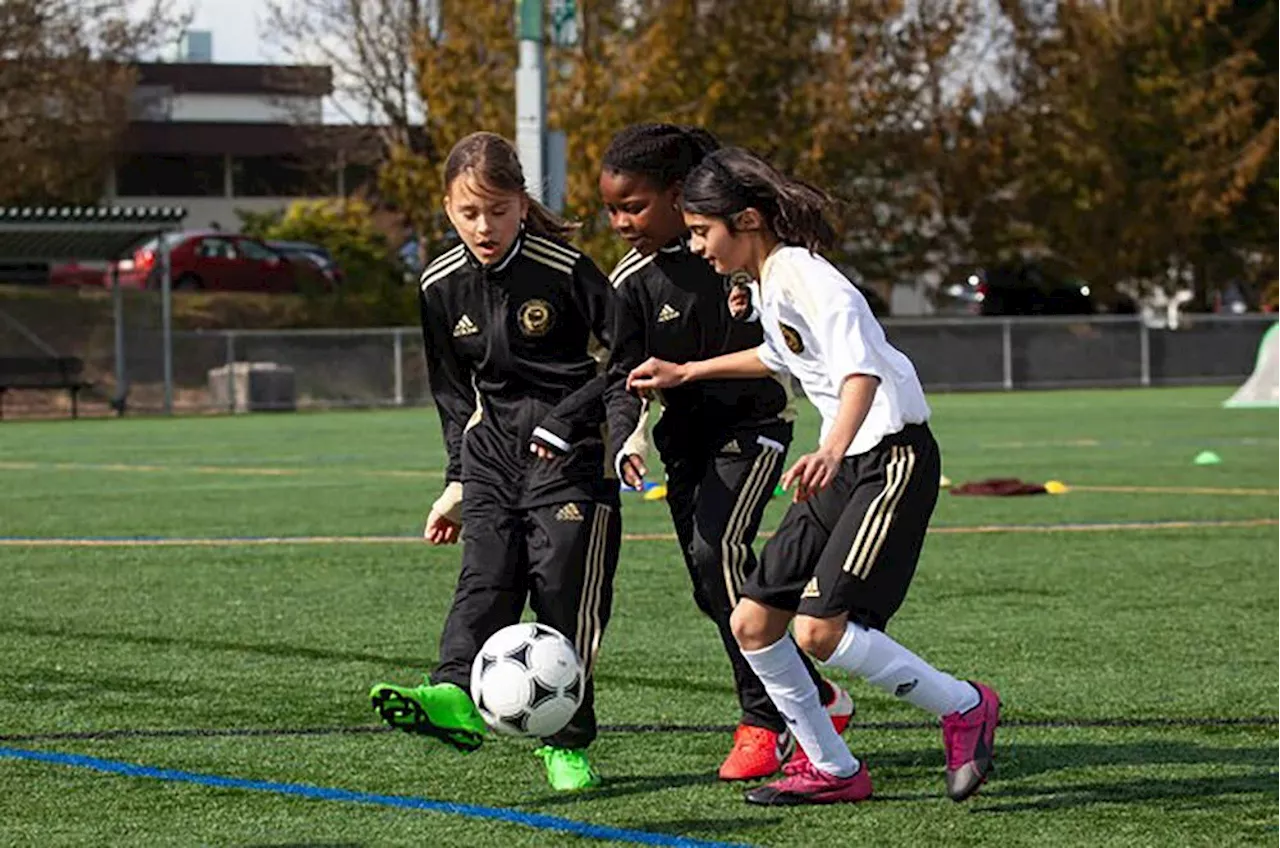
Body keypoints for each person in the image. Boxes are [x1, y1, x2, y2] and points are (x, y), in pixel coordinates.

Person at [628, 147, 1000, 806]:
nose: (697, 246)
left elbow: (862, 372)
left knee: (819, 632)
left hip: (891, 460)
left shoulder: (807, 276)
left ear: (744, 219)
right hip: (846, 462)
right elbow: (779, 356)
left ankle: (966, 707)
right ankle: (832, 767)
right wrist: (687, 373)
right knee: (752, 624)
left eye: (701, 231)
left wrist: (829, 448)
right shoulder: (772, 282)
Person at [598, 123, 854, 781]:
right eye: (612, 210)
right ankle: (820, 696)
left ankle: (764, 721)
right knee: (713, 584)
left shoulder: (742, 255)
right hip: (685, 447)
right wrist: (627, 436)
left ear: (678, 195)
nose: (622, 222)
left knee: (721, 551)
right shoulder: (630, 281)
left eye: (634, 206)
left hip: (757, 429)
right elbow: (623, 376)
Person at [370, 131, 623, 792]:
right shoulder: (438, 285)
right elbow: (452, 392)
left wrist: (579, 420)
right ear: (448, 210)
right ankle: (453, 697)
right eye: (468, 213)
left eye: (498, 210)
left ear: (521, 204)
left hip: (571, 455)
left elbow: (629, 358)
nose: (485, 227)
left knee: (563, 587)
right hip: (492, 454)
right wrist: (456, 477)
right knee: (484, 579)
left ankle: (565, 740)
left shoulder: (564, 268)